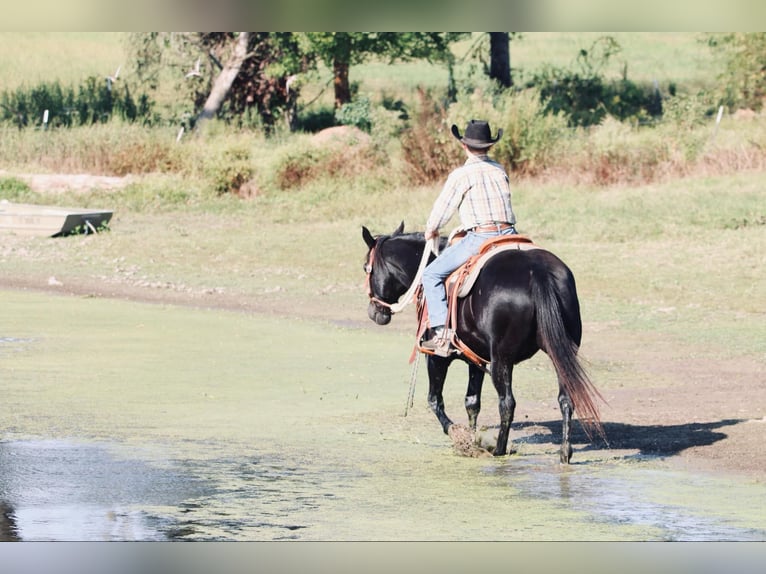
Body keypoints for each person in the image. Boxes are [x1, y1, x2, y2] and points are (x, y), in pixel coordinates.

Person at [420, 119, 517, 357]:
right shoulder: (499, 170)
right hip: (510, 234)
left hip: (481, 237)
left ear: (464, 146)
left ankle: (442, 335)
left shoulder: (461, 175)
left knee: (431, 274)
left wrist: (431, 229)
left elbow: (443, 209)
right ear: (489, 146)